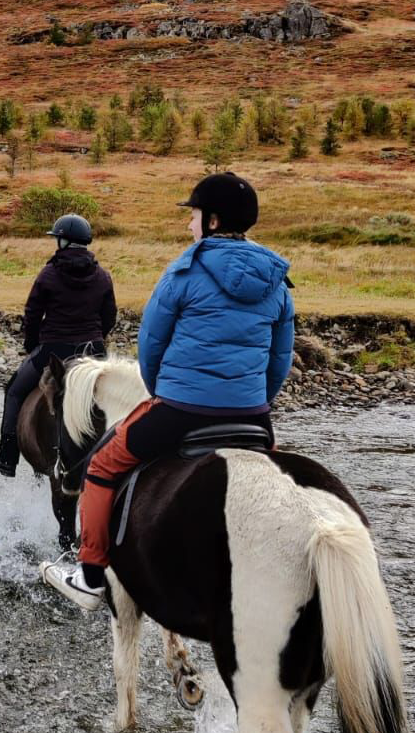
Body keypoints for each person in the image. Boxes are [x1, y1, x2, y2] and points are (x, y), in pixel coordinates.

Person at [40, 173, 295, 611]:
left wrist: (160, 394)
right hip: (252, 417)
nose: (188, 226)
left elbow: (150, 345)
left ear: (212, 221)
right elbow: (279, 361)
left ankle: (91, 574)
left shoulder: (183, 271)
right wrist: (257, 402)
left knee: (101, 468)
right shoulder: (277, 281)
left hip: (182, 411)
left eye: (193, 216)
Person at [0, 213, 116, 476]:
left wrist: (32, 346)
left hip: (54, 349)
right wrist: (96, 339)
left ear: (64, 242)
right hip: (94, 352)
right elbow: (109, 316)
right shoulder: (103, 276)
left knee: (14, 391)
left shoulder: (49, 274)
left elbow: (32, 315)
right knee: (114, 398)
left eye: (58, 239)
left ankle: (7, 458)